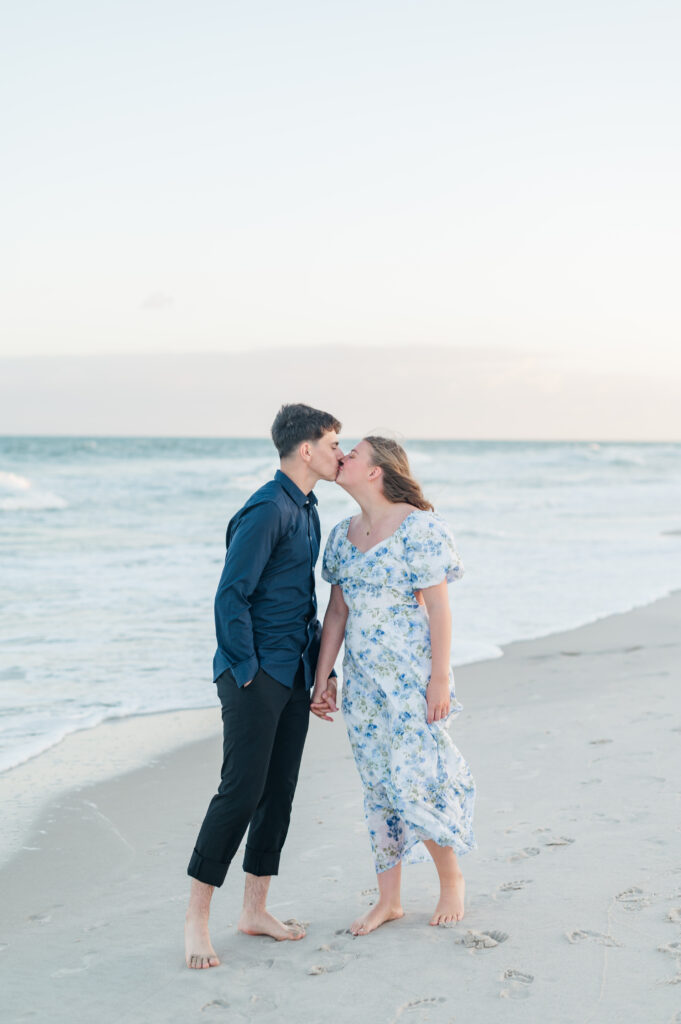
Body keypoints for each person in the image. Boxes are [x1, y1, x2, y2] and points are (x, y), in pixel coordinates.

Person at [184, 403, 343, 969]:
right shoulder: (266, 508)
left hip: (293, 672)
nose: (339, 454)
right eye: (332, 443)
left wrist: (322, 675)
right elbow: (231, 594)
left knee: (279, 791)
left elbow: (302, 602)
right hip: (255, 675)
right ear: (306, 449)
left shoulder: (310, 508)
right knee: (241, 792)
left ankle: (254, 911)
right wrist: (248, 671)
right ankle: (197, 920)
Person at [311, 436, 475, 936]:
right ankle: (389, 900)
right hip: (364, 683)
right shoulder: (341, 535)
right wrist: (323, 676)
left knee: (414, 779)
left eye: (353, 454)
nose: (343, 457)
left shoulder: (420, 528)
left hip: (410, 677)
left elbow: (440, 608)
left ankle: (451, 881)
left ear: (377, 471)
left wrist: (439, 679)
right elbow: (337, 612)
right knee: (378, 786)